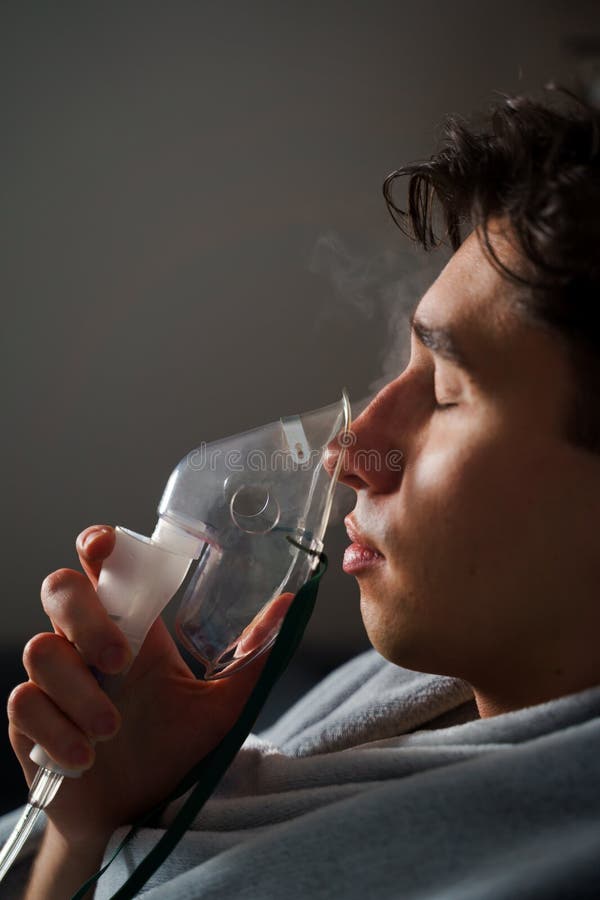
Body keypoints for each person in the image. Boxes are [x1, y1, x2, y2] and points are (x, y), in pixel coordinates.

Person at [4, 86, 600, 898]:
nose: (347, 454)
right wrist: (96, 823)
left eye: (447, 390)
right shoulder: (414, 680)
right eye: (408, 368)